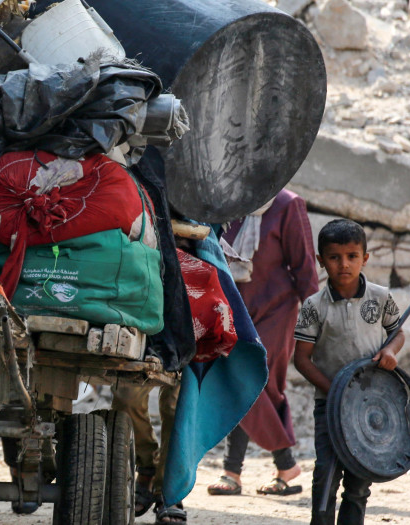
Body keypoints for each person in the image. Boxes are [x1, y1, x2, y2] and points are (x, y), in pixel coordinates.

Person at [113, 246, 238, 525]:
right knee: (126, 396)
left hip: (188, 302)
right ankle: (145, 465)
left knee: (176, 405)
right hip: (141, 296)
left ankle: (167, 492)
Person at [293, 218, 404, 525]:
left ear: (364, 258)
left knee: (358, 480)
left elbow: (397, 333)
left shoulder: (381, 297)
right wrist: (336, 391)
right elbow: (301, 359)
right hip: (328, 405)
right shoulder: (313, 306)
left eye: (352, 256)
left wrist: (390, 351)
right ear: (321, 260)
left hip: (369, 404)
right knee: (326, 473)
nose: (344, 264)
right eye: (334, 257)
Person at [208, 190, 319, 497]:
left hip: (276, 310)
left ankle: (258, 467)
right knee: (241, 384)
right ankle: (266, 470)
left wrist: (316, 322)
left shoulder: (287, 204)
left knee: (252, 383)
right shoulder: (226, 199)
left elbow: (304, 266)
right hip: (232, 307)